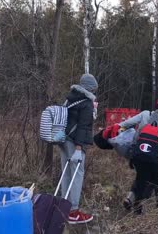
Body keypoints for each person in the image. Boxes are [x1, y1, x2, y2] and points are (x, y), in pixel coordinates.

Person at [119, 97, 158, 211]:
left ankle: (132, 200)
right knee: (157, 180)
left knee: (141, 179)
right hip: (152, 159)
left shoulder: (145, 123)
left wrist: (132, 157)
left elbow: (135, 139)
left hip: (139, 156)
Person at [60, 74, 98, 224]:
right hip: (75, 143)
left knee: (66, 173)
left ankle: (63, 207)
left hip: (63, 140)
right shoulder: (87, 103)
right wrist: (78, 148)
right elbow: (83, 127)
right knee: (77, 174)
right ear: (90, 88)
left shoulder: (70, 98)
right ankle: (73, 211)